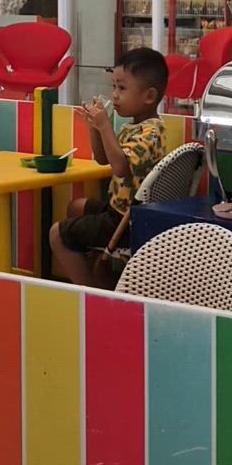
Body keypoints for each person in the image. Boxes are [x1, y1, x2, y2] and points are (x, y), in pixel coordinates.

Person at [49, 48, 168, 287]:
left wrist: (105, 127)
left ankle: (89, 292)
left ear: (149, 96)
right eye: (113, 87)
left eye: (122, 88)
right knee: (76, 206)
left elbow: (120, 167)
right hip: (121, 209)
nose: (114, 95)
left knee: (56, 234)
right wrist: (94, 128)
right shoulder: (133, 127)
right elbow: (103, 159)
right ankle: (97, 271)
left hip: (128, 220)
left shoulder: (151, 133)